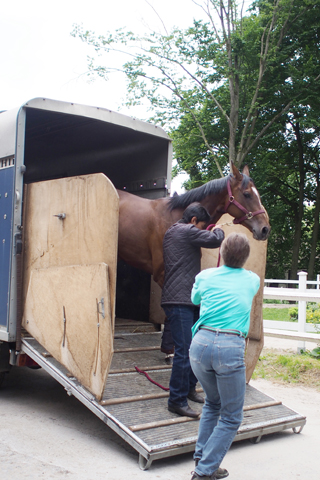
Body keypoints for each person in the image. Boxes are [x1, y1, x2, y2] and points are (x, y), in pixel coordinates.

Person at [189, 232, 260, 480]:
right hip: (229, 347)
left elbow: (194, 299)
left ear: (220, 253)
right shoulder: (252, 280)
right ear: (246, 257)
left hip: (200, 344)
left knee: (213, 402)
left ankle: (203, 458)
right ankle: (204, 471)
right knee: (231, 417)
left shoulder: (204, 276)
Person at [161, 202, 224, 418]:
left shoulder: (173, 231)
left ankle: (188, 390)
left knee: (193, 349)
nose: (200, 231)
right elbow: (216, 239)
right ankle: (176, 401)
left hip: (184, 300)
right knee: (185, 352)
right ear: (194, 221)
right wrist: (218, 229)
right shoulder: (186, 230)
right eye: (201, 227)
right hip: (180, 301)